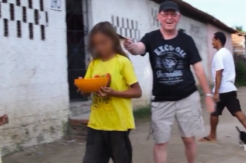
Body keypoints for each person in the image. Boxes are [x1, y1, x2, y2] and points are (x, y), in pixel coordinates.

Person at [123, 1, 215, 163]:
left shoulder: (186, 40)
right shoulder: (151, 38)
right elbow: (139, 48)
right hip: (161, 100)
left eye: (173, 14)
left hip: (187, 97)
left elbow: (198, 68)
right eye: (165, 14)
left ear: (178, 17)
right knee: (160, 142)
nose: (169, 18)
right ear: (159, 17)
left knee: (188, 139)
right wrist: (130, 46)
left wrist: (208, 95)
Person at [81, 21, 142, 163]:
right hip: (96, 124)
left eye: (103, 42)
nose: (100, 47)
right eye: (96, 44)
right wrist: (83, 88)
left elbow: (137, 91)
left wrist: (114, 93)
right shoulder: (94, 63)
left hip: (118, 125)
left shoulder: (122, 62)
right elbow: (86, 92)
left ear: (113, 41)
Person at [199, 32, 246, 143]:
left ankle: (212, 136)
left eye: (213, 39)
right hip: (230, 88)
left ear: (218, 40)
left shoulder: (219, 55)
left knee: (214, 112)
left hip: (222, 89)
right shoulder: (227, 53)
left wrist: (216, 92)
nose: (212, 42)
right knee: (237, 110)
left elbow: (219, 73)